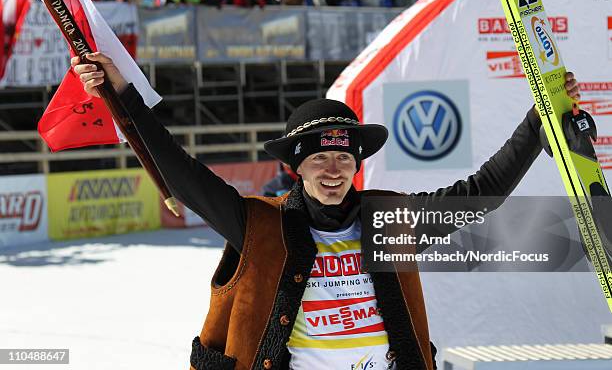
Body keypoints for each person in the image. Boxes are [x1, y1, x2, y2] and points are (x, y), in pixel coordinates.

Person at [71, 52, 580, 369]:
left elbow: (478, 194)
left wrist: (536, 125)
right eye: (319, 157)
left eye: (344, 156)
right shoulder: (259, 224)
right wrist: (124, 97)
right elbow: (183, 173)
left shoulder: (389, 222)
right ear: (297, 167)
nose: (333, 169)